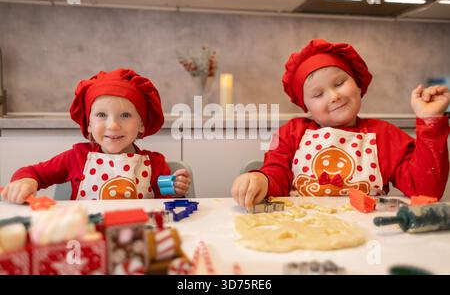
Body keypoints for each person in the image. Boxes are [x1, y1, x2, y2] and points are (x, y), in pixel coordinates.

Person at [232, 39, 450, 210]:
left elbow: (426, 190)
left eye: (339, 83)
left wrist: (430, 122)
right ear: (305, 106)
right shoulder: (290, 133)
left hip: (369, 234)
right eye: (318, 94)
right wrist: (260, 179)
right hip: (304, 228)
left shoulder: (384, 135)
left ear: (357, 83)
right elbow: (277, 175)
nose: (334, 96)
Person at [1, 68, 191, 203]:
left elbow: (167, 206)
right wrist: (25, 181)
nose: (113, 125)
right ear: (89, 123)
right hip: (86, 241)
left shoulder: (155, 164)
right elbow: (35, 173)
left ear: (141, 124)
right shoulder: (76, 158)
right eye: (101, 115)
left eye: (125, 115)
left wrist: (175, 189)